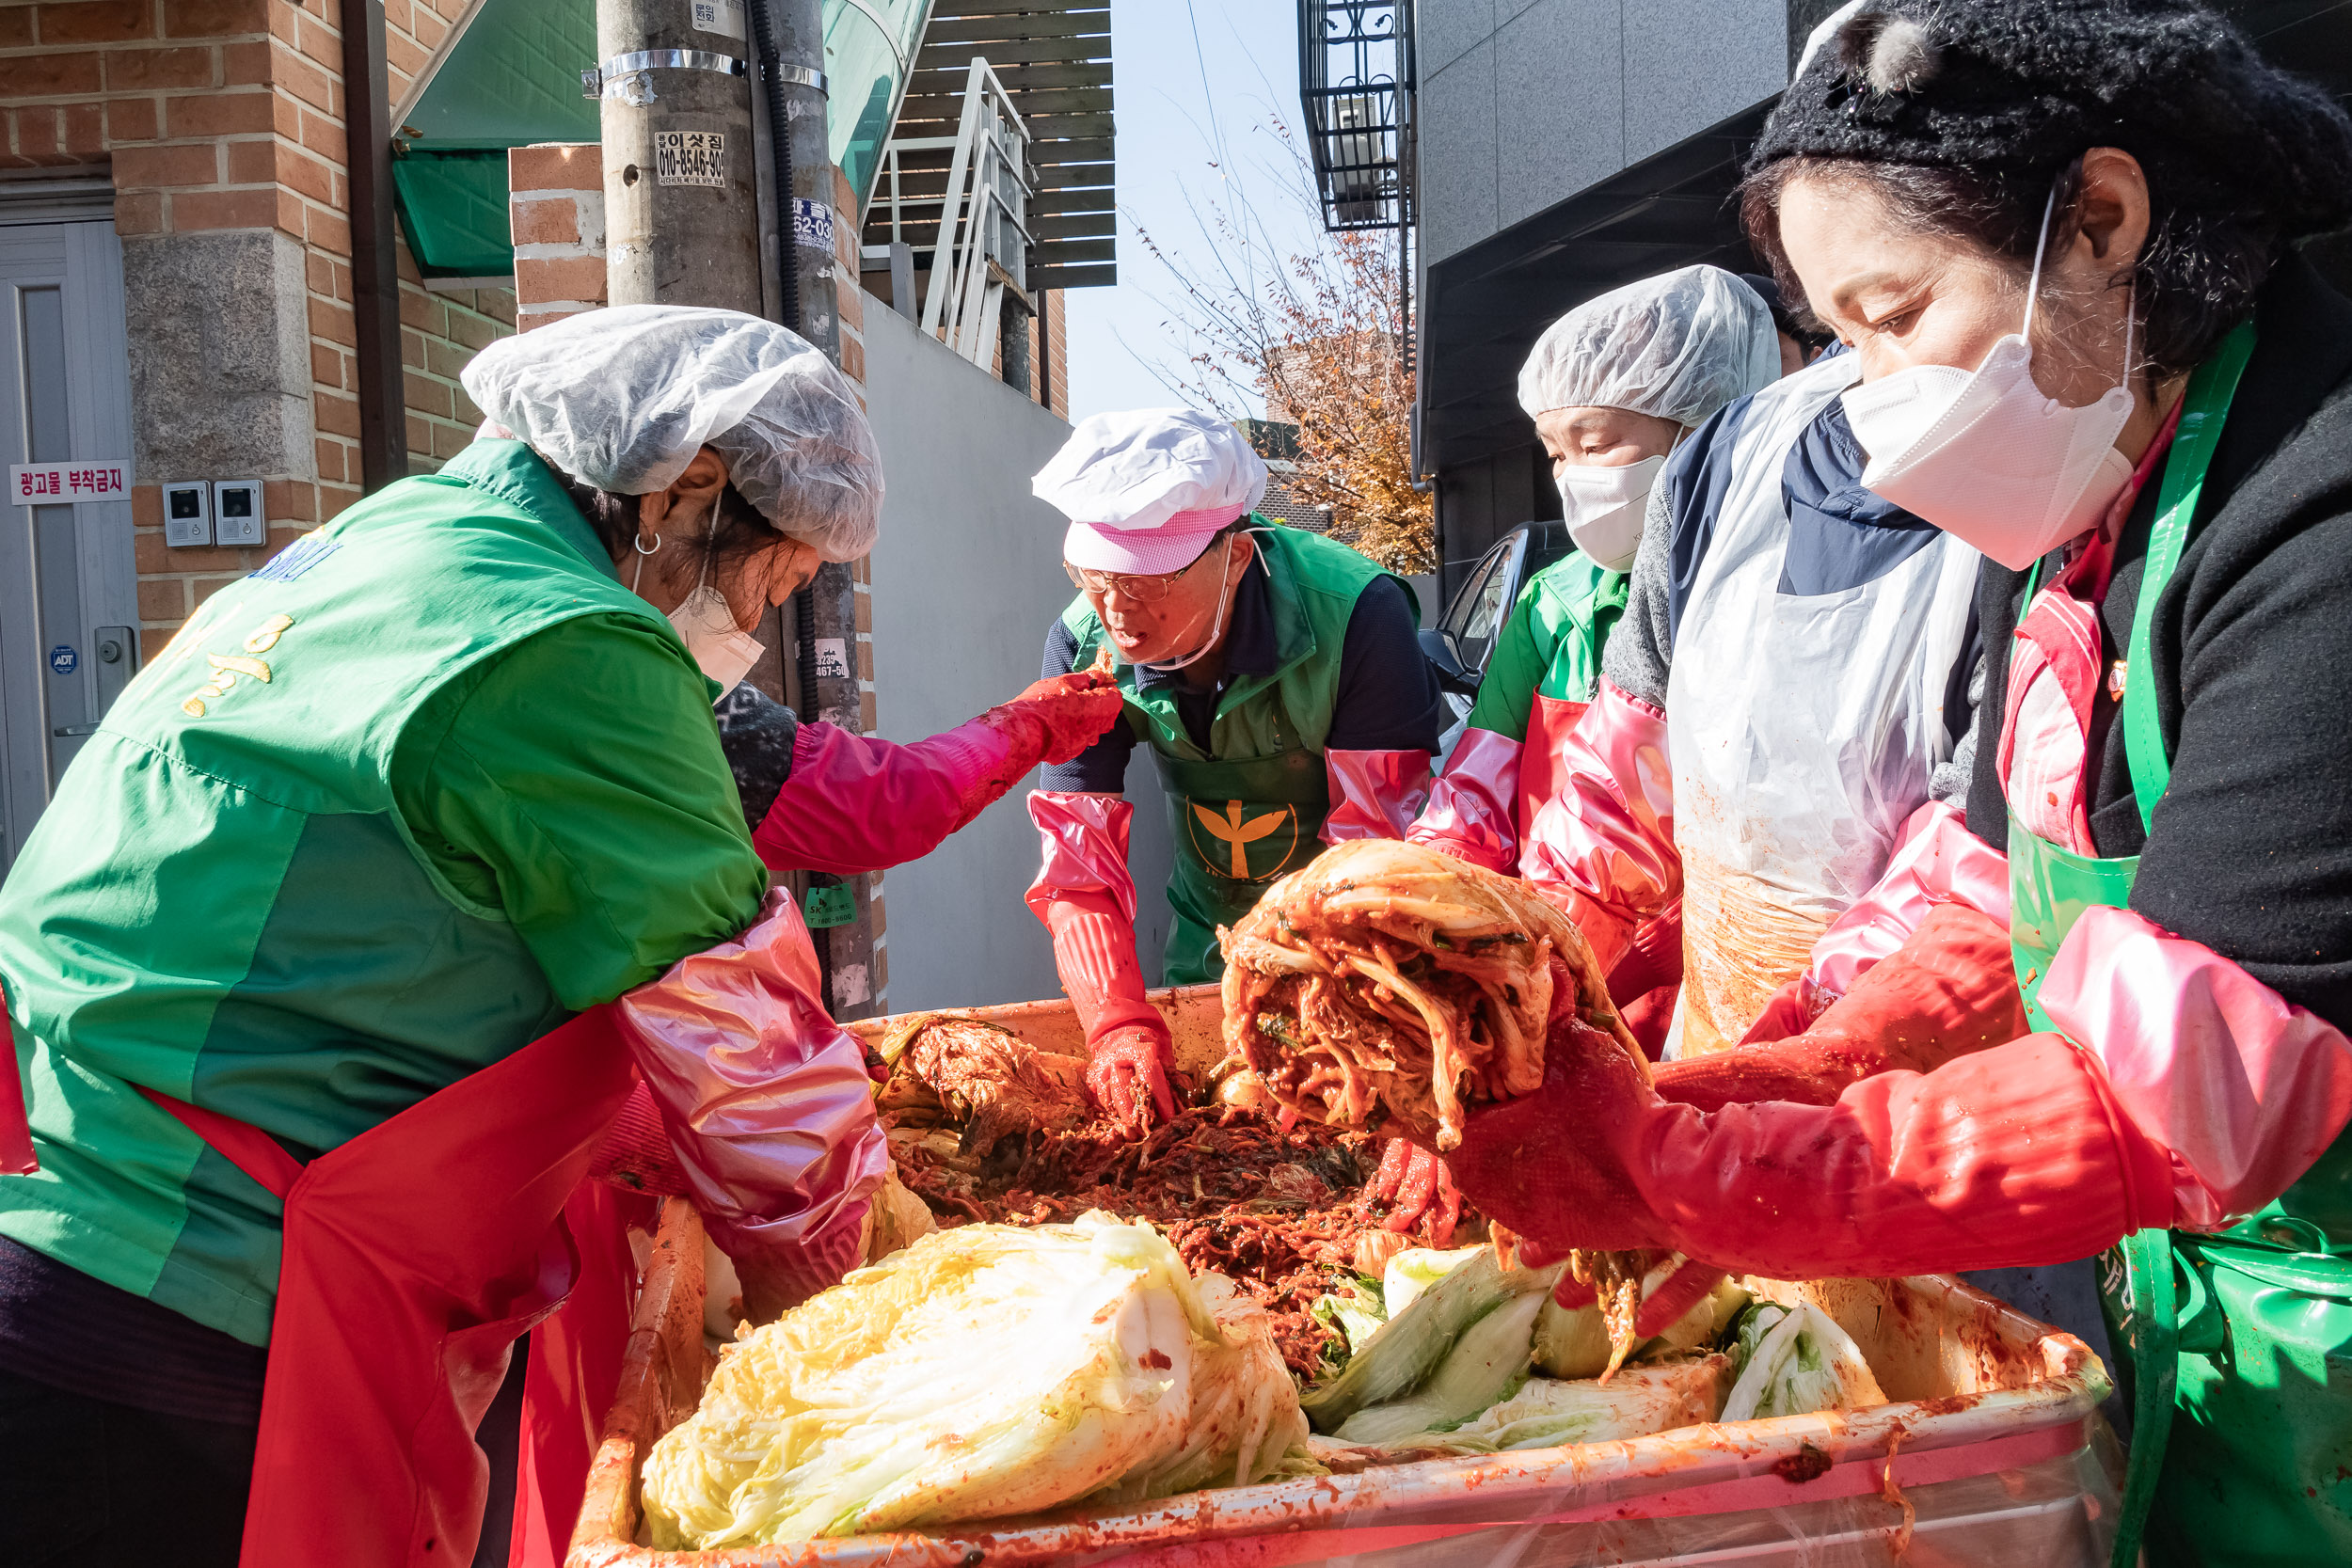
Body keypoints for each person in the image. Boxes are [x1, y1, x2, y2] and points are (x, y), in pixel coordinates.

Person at [1437, 4, 2352, 1561]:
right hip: (2198, 1323)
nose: (1865, 402)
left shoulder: (2314, 519)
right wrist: (1784, 1067)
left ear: (2105, 224)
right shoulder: (2083, 495)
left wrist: (1685, 1170)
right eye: (1840, 336)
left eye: (1897, 311)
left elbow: (2183, 1089)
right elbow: (1985, 883)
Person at [0, 304, 1112, 1568]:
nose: (760, 616)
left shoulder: (394, 539)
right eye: (777, 579)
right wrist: (920, 1375)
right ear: (688, 482)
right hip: (179, 1296)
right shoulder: (573, 646)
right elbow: (762, 1100)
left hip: (54, 1198)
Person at [1027, 409, 1444, 1124]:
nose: (1119, 613)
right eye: (1096, 577)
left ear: (1238, 556)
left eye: (1150, 582)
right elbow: (1078, 867)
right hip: (1204, 945)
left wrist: (1328, 1018)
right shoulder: (1083, 642)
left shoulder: (1360, 617)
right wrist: (1116, 1021)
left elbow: (1380, 861)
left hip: (1355, 958)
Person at [1408, 265, 1780, 1057]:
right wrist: (1424, 917)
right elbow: (1474, 793)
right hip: (1559, 981)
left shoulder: (1783, 594)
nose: (1575, 476)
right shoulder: (1551, 605)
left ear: (1701, 422)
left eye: (1597, 442)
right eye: (1555, 453)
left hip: (1725, 995)